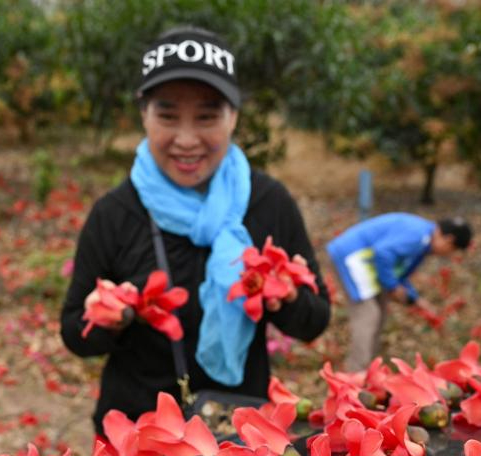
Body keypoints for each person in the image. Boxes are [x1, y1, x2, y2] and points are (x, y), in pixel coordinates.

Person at [60, 27, 331, 435]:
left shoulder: (268, 202)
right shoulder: (115, 214)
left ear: (233, 116)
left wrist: (287, 300)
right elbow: (73, 332)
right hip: (138, 438)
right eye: (167, 116)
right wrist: (107, 318)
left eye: (206, 117)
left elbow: (315, 320)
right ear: (144, 114)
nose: (186, 140)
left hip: (240, 433)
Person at [326, 212, 473, 371]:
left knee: (380, 311)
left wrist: (414, 299)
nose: (447, 255)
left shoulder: (424, 239)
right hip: (352, 257)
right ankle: (356, 372)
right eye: (452, 250)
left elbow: (399, 273)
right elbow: (383, 254)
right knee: (368, 314)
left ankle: (370, 366)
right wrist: (393, 286)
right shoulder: (417, 236)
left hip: (366, 262)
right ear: (448, 240)